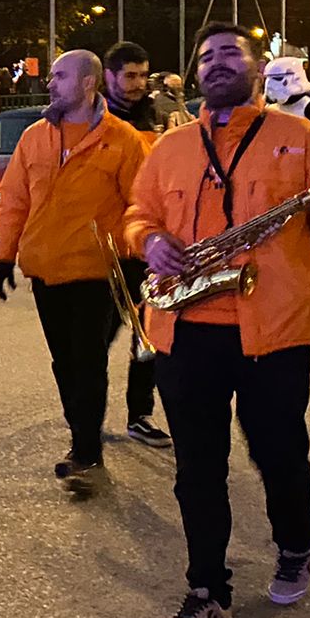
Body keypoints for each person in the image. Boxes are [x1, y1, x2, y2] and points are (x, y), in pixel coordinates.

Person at [126, 23, 310, 618]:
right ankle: (206, 590)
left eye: (230, 53)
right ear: (195, 73)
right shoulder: (170, 147)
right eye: (206, 56)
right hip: (186, 329)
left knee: (277, 453)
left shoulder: (299, 140)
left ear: (257, 68)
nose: (216, 63)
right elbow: (138, 213)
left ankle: (296, 545)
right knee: (197, 469)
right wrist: (150, 240)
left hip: (275, 332)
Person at [0, 50, 151, 493]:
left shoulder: (122, 140)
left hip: (98, 272)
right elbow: (15, 200)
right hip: (46, 270)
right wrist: (3, 257)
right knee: (65, 362)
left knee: (88, 360)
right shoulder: (35, 137)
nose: (50, 83)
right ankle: (82, 434)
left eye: (59, 76)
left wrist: (140, 255)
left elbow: (142, 204)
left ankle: (86, 452)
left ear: (87, 84)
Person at [100, 42, 171, 449]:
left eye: (143, 75)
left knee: (149, 338)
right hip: (108, 249)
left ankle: (139, 415)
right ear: (108, 76)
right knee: (100, 337)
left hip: (148, 247)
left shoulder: (156, 117)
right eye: (130, 76)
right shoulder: (95, 119)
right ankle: (86, 417)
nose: (138, 84)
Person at [262, 57, 310, 132]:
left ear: (296, 77)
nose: (270, 84)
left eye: (277, 78)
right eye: (267, 79)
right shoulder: (270, 109)